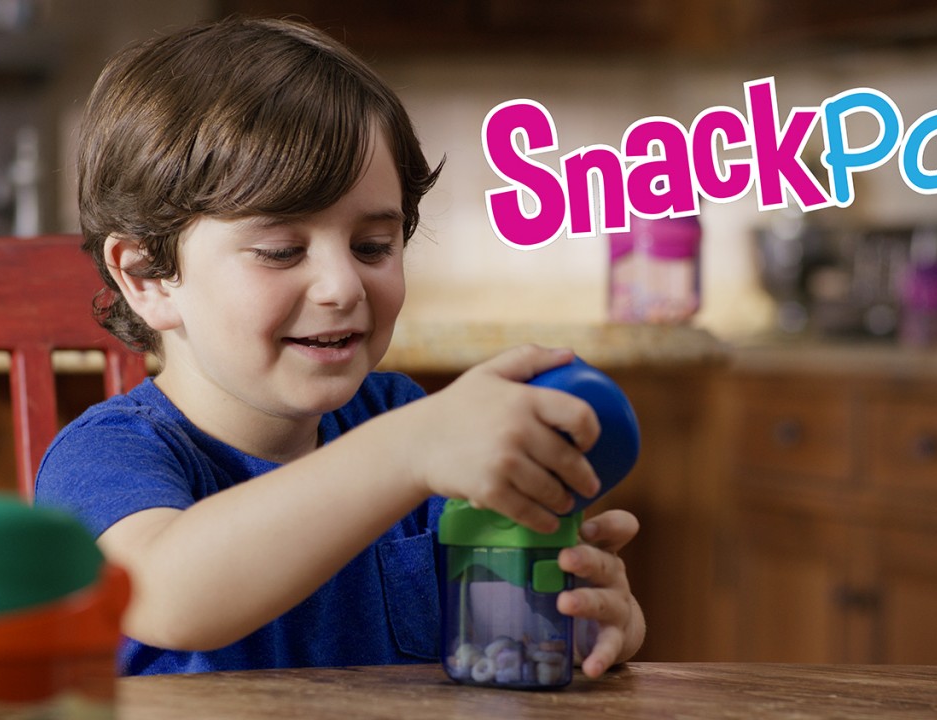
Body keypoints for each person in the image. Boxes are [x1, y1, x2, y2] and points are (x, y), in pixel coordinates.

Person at [35, 15, 645, 680]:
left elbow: (495, 644)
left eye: (373, 246)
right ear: (148, 276)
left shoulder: (399, 418)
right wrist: (411, 449)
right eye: (281, 250)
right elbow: (163, 593)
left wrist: (574, 621)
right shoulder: (106, 457)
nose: (341, 284)